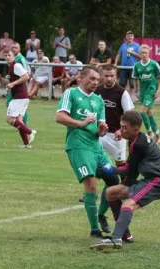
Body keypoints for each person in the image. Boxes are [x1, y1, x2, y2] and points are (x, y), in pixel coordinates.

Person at [56, 66, 123, 239]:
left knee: (113, 179)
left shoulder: (98, 101)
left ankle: (100, 214)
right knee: (91, 185)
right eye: (92, 79)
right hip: (78, 147)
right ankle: (95, 230)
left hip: (96, 147)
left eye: (97, 80)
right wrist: (82, 123)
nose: (95, 82)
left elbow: (100, 129)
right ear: (81, 77)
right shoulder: (71, 94)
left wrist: (102, 129)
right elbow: (60, 117)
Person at [90, 111, 160, 251]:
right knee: (111, 192)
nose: (121, 130)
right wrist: (115, 171)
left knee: (128, 204)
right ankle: (125, 235)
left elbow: (131, 172)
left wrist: (111, 170)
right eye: (121, 127)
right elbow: (129, 166)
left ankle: (115, 238)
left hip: (158, 181)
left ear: (136, 129)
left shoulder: (138, 144)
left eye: (124, 128)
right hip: (149, 179)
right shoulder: (134, 139)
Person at [95, 65, 135, 237]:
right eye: (106, 75)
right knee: (102, 170)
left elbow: (130, 114)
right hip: (100, 135)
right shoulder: (97, 91)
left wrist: (121, 130)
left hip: (116, 136)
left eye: (112, 75)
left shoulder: (121, 93)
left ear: (116, 76)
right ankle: (98, 201)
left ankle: (119, 195)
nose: (109, 78)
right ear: (102, 76)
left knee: (118, 172)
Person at [0, 52, 36, 148]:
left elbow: (26, 76)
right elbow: (10, 82)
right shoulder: (10, 67)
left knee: (10, 119)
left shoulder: (16, 65)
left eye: (9, 55)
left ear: (14, 57)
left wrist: (13, 84)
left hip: (20, 97)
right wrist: (1, 79)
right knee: (19, 121)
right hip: (21, 97)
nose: (7, 57)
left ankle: (30, 132)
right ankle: (26, 144)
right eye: (6, 55)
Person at [132, 44, 160, 144]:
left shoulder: (154, 64)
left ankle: (150, 133)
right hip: (143, 92)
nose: (144, 54)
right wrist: (136, 91)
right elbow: (135, 79)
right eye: (142, 52)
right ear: (140, 54)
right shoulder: (137, 66)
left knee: (142, 112)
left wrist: (158, 90)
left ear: (149, 53)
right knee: (149, 114)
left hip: (151, 91)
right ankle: (158, 135)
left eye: (146, 52)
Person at [115, 31, 141, 95]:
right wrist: (115, 63)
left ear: (133, 37)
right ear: (126, 37)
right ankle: (122, 97)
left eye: (131, 36)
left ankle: (130, 98)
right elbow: (118, 54)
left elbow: (140, 56)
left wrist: (132, 52)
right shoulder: (123, 45)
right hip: (123, 67)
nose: (129, 37)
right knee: (122, 84)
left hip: (132, 68)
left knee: (132, 84)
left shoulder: (137, 45)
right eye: (128, 36)